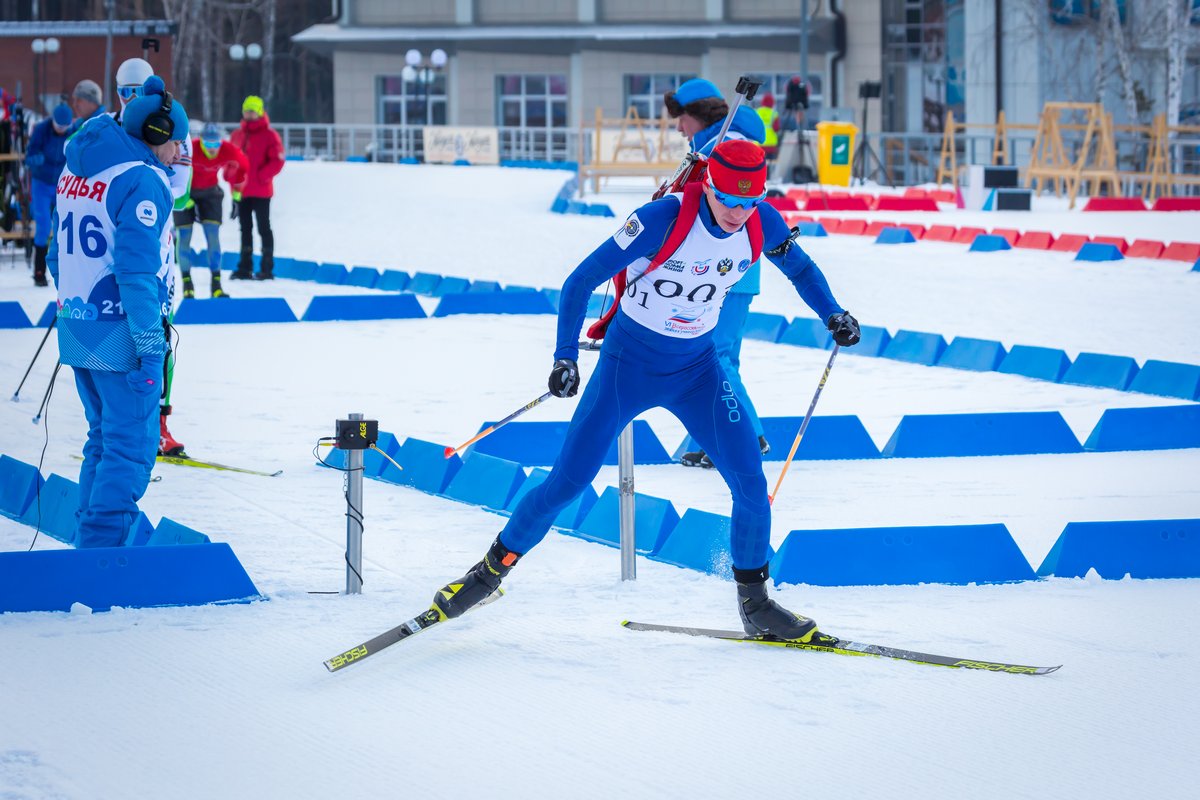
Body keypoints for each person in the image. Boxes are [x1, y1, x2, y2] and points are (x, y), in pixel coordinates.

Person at [429, 140, 862, 642]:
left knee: (751, 483)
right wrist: (564, 356)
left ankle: (756, 604)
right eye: (728, 202)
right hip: (626, 366)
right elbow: (578, 282)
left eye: (749, 203)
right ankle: (488, 573)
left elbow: (801, 269)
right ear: (710, 186)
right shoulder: (661, 218)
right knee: (567, 485)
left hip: (699, 371)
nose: (738, 215)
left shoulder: (761, 221)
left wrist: (833, 312)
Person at [47, 76, 189, 548]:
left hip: (78, 325)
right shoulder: (141, 180)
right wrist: (152, 351)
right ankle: (101, 554)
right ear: (155, 132)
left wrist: (77, 307)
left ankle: (91, 541)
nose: (178, 154)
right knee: (130, 448)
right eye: (175, 142)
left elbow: (55, 257)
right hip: (123, 332)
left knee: (103, 439)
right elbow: (136, 275)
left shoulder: (78, 167)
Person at [661, 80, 772, 469]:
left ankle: (747, 435)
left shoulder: (730, 142)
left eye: (682, 118)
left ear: (700, 115)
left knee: (716, 354)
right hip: (708, 268)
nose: (678, 128)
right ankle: (709, 438)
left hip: (730, 266)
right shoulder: (706, 146)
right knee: (710, 356)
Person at [175, 122, 246, 299]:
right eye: (208, 144)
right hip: (186, 192)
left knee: (213, 235)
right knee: (184, 237)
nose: (212, 149)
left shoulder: (228, 150)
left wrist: (237, 198)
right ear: (202, 142)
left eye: (216, 144)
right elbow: (173, 171)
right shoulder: (191, 149)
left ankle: (216, 285)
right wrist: (186, 201)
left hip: (210, 193)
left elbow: (243, 169)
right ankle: (187, 285)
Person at [228, 95, 284, 280]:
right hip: (241, 191)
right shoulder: (237, 134)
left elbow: (277, 160)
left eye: (252, 111)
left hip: (261, 191)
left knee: (263, 227)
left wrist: (261, 176)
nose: (249, 114)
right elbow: (229, 158)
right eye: (247, 111)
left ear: (259, 112)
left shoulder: (269, 135)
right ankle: (245, 266)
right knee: (245, 228)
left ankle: (266, 267)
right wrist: (229, 176)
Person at [24, 103, 73, 287]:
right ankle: (39, 272)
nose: (61, 130)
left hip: (63, 184)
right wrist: (34, 160)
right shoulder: (41, 130)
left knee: (66, 227)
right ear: (52, 122)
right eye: (58, 126)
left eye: (65, 127)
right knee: (43, 225)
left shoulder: (73, 132)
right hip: (42, 184)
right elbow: (29, 155)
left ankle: (66, 271)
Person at [756, 93, 781, 163]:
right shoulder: (774, 113)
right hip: (771, 146)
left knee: (760, 164)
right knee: (771, 166)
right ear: (772, 103)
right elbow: (776, 128)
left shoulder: (757, 112)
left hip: (758, 145)